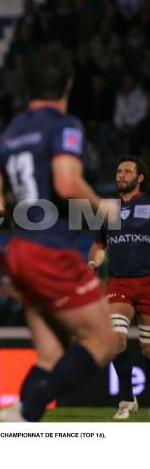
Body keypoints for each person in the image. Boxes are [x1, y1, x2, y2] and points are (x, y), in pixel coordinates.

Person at [0, 43, 118, 422]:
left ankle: (19, 428)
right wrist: (102, 206)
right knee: (104, 342)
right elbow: (68, 182)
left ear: (28, 86)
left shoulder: (10, 133)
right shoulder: (64, 125)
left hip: (19, 249)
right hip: (50, 251)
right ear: (68, 85)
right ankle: (25, 412)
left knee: (50, 356)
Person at [88, 155, 150, 419]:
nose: (120, 175)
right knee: (115, 340)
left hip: (148, 283)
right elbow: (100, 243)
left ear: (140, 178)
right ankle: (127, 399)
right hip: (120, 282)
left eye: (127, 171)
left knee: (148, 349)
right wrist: (93, 261)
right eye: (118, 171)